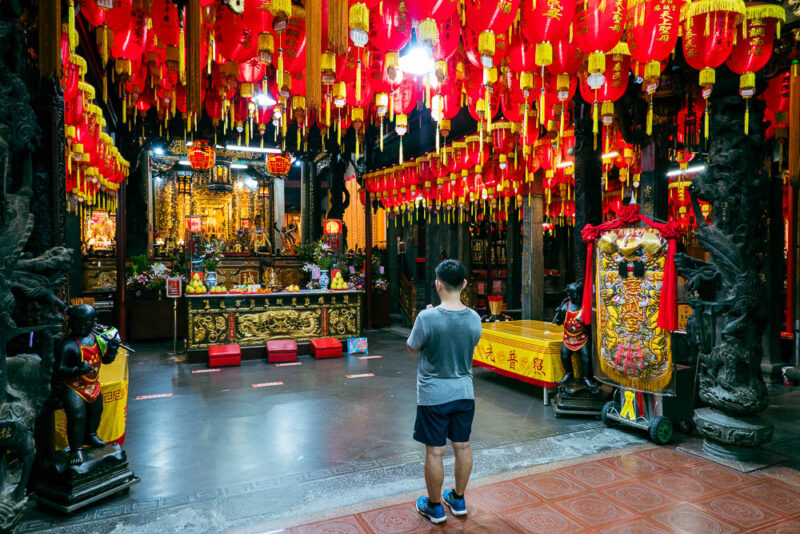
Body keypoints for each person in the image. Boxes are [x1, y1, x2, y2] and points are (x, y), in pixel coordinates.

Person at [407, 260, 482, 524]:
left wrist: (428, 324)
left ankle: (435, 506)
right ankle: (458, 499)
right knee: (463, 446)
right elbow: (467, 343)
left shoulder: (427, 318)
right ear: (463, 284)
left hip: (433, 395)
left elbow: (413, 347)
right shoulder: (474, 318)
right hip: (464, 392)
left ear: (438, 284)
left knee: (435, 452)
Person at [58, 305, 121, 465]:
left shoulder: (96, 339)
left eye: (87, 323)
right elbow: (59, 369)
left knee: (96, 410)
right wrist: (76, 370)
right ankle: (76, 448)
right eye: (79, 323)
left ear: (93, 322)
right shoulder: (68, 344)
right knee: (77, 416)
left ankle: (91, 434)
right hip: (74, 385)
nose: (83, 326)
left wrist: (112, 350)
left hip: (93, 384)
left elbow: (105, 360)